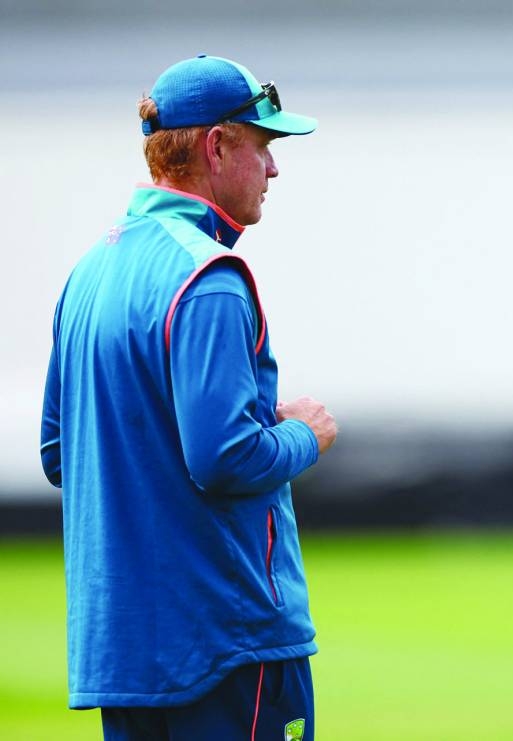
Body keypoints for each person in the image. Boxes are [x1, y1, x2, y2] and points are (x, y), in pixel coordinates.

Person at [40, 55, 336, 741]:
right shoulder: (210, 275)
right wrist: (303, 436)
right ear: (218, 145)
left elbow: (61, 452)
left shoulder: (88, 271)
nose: (274, 168)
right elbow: (226, 457)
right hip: (226, 645)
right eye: (263, 146)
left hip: (123, 654)